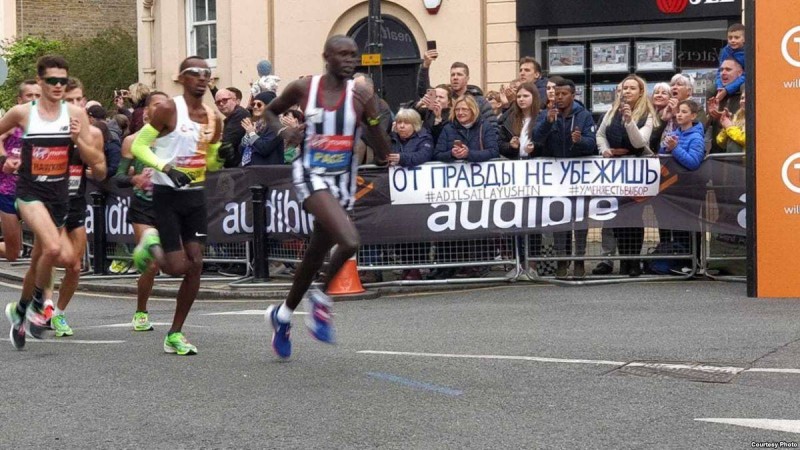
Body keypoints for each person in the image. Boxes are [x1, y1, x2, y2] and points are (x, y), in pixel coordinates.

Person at [262, 35, 391, 359]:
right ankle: (320, 298)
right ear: (326, 57)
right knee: (349, 241)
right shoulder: (305, 88)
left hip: (342, 181)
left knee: (316, 254)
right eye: (342, 55)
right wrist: (284, 132)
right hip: (310, 174)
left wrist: (378, 131)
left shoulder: (361, 94)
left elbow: (380, 140)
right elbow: (269, 112)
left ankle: (283, 315)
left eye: (353, 55)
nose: (350, 60)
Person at [0, 55, 106, 349]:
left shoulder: (76, 115)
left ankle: (19, 310)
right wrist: (4, 158)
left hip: (60, 198)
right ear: (40, 82)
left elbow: (97, 162)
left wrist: (78, 140)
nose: (58, 86)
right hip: (30, 193)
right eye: (52, 81)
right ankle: (37, 303)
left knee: (44, 261)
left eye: (62, 80)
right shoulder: (23, 112)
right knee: (55, 248)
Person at [130, 56, 224, 356]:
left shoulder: (214, 117)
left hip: (195, 196)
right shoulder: (169, 108)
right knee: (174, 268)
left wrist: (220, 153)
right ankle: (150, 243)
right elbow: (138, 147)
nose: (202, 78)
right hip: (167, 193)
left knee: (196, 263)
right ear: (182, 78)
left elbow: (209, 161)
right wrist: (166, 167)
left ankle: (175, 333)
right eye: (195, 73)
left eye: (206, 74)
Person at [46, 77, 109, 337]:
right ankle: (44, 303)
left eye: (78, 100)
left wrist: (81, 146)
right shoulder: (45, 129)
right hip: (47, 203)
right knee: (53, 254)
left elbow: (101, 173)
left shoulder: (93, 133)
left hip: (75, 202)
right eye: (68, 100)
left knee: (74, 265)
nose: (74, 105)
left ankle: (58, 313)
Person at [113, 91, 169, 332]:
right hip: (143, 207)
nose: (163, 109)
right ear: (146, 111)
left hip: (170, 206)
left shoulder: (176, 139)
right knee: (152, 264)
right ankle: (141, 311)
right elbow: (118, 177)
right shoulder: (133, 140)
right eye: (157, 105)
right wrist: (134, 178)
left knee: (171, 263)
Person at [533, 78, 597, 278]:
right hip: (556, 175)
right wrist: (547, 123)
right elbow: (536, 138)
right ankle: (562, 261)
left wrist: (579, 141)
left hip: (578, 175)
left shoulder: (584, 116)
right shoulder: (546, 114)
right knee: (559, 219)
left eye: (563, 94)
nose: (559, 98)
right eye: (556, 94)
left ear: (572, 95)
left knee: (579, 219)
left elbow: (592, 144)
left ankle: (579, 260)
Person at [595, 75, 658, 277]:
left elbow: (640, 142)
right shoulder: (611, 111)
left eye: (632, 88)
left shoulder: (647, 113)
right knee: (619, 215)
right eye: (624, 88)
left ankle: (633, 260)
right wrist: (604, 150)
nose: (627, 91)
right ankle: (624, 260)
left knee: (635, 216)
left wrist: (630, 121)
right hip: (616, 168)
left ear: (641, 92)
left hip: (636, 168)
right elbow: (600, 134)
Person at [388, 108, 434, 281]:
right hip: (397, 192)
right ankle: (406, 265)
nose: (401, 126)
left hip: (418, 191)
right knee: (400, 229)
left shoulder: (424, 138)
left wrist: (401, 158)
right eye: (399, 122)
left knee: (417, 229)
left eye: (405, 123)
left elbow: (423, 155)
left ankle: (417, 266)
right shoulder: (392, 138)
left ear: (414, 125)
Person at [0, 80, 40, 262]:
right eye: (29, 96)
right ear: (19, 99)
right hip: (8, 191)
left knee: (48, 247)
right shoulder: (13, 122)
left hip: (34, 191)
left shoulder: (48, 124)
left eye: (38, 96)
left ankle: (41, 289)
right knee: (13, 253)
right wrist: (4, 159)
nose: (33, 100)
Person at [433, 95, 499, 163]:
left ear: (473, 110)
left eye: (464, 109)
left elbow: (494, 152)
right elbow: (437, 154)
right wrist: (451, 154)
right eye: (457, 109)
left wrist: (469, 154)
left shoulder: (485, 126)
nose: (460, 113)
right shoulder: (448, 128)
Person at [240, 91, 284, 166]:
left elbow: (264, 149)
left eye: (259, 104)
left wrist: (251, 133)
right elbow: (242, 151)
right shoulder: (255, 125)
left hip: (267, 172)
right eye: (253, 104)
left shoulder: (276, 126)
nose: (255, 107)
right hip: (251, 171)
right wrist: (247, 137)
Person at [498, 81, 540, 160]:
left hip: (536, 165)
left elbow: (548, 144)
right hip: (516, 165)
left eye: (525, 96)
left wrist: (535, 147)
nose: (521, 99)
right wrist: (510, 146)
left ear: (534, 97)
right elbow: (500, 144)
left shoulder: (541, 118)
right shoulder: (510, 119)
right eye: (518, 96)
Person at [660, 100, 705, 171]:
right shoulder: (672, 134)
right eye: (678, 112)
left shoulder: (696, 137)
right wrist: (666, 148)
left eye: (684, 112)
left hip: (687, 179)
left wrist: (675, 148)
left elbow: (694, 163)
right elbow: (661, 157)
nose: (679, 115)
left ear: (693, 116)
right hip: (671, 177)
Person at [215, 87, 250, 168]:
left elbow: (227, 143)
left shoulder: (239, 114)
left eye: (225, 100)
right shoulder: (233, 115)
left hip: (239, 169)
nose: (221, 104)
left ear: (234, 100)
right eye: (218, 102)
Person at [715, 23, 745, 103]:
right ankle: (711, 113)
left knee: (744, 87)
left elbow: (747, 75)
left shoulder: (748, 52)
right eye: (730, 38)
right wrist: (720, 86)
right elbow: (719, 71)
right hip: (726, 80)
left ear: (744, 39)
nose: (733, 40)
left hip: (741, 80)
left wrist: (728, 89)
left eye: (736, 37)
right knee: (710, 90)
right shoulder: (725, 51)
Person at [716, 87, 745, 153]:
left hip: (746, 161)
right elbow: (720, 142)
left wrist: (729, 127)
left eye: (747, 98)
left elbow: (747, 140)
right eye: (742, 98)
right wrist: (725, 126)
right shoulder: (736, 117)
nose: (743, 101)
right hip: (731, 160)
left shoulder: (757, 118)